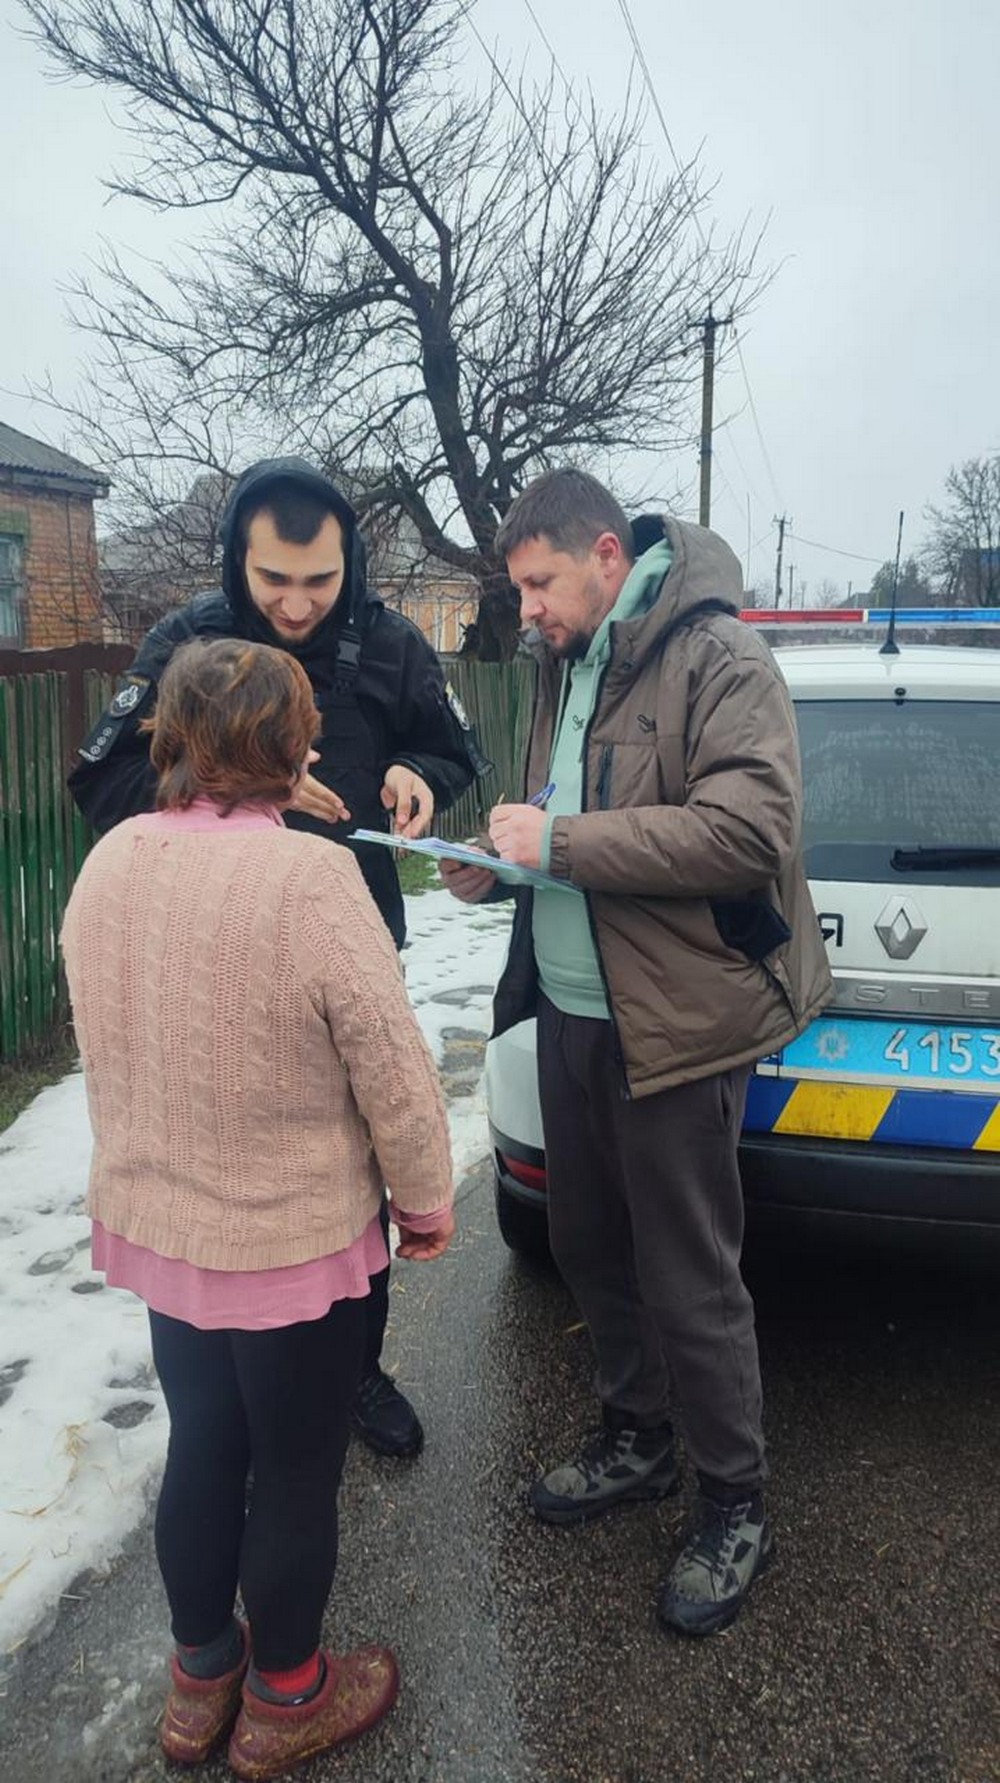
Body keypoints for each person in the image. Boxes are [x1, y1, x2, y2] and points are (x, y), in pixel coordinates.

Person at [442, 468, 832, 1638]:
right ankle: (636, 1438)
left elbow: (747, 829)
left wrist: (559, 839)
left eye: (539, 583)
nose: (528, 611)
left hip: (675, 1025)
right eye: (519, 590)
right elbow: (560, 817)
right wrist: (501, 858)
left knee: (689, 1274)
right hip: (570, 1010)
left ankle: (732, 1501)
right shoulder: (568, 661)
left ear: (607, 556)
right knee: (586, 1242)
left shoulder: (718, 658)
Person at [61, 638, 454, 1777]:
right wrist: (424, 1199)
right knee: (292, 1470)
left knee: (203, 1445)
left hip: (169, 1235)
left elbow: (110, 1028)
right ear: (289, 749)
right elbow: (389, 1060)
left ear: (170, 740)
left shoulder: (111, 861)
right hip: (291, 1241)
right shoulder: (311, 877)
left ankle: (198, 1682)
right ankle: (287, 1694)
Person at [70, 457, 485, 1460]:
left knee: (354, 1174)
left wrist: (415, 773)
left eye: (321, 581)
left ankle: (354, 1369)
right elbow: (103, 779)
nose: (297, 605)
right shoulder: (185, 643)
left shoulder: (388, 642)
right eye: (274, 580)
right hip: (204, 965)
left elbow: (455, 751)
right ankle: (228, 1394)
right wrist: (235, 788)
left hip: (350, 941)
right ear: (236, 562)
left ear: (350, 564)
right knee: (220, 1186)